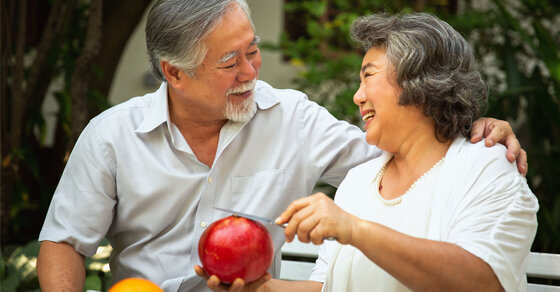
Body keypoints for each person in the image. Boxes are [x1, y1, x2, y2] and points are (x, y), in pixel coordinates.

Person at [36, 1, 527, 291]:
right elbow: (64, 241)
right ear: (174, 73)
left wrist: (465, 122)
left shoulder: (295, 121)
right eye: (231, 61)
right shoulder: (110, 136)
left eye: (254, 51)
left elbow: (409, 151)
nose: (251, 72)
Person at [260, 12, 537, 292]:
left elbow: (483, 282)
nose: (358, 96)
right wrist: (261, 289)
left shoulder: (486, 168)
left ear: (419, 81)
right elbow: (325, 287)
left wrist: (355, 230)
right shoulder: (358, 180)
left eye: (368, 75)